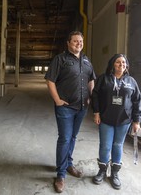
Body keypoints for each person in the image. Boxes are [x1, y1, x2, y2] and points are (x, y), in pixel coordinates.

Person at [45, 31, 96, 193]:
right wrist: (57, 100)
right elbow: (50, 80)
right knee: (65, 138)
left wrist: (90, 97)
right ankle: (60, 175)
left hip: (81, 108)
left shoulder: (87, 61)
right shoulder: (60, 59)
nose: (78, 43)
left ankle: (68, 165)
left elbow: (91, 80)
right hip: (65, 108)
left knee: (73, 137)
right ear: (68, 43)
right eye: (75, 41)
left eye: (80, 41)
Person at [91, 53, 141, 190]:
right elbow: (95, 96)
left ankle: (114, 174)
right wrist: (96, 112)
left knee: (118, 145)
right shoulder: (104, 79)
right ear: (112, 64)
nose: (121, 65)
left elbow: (137, 101)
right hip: (106, 119)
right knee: (105, 146)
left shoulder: (131, 81)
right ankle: (102, 171)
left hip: (124, 120)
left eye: (124, 63)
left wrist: (137, 121)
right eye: (118, 62)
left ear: (126, 66)